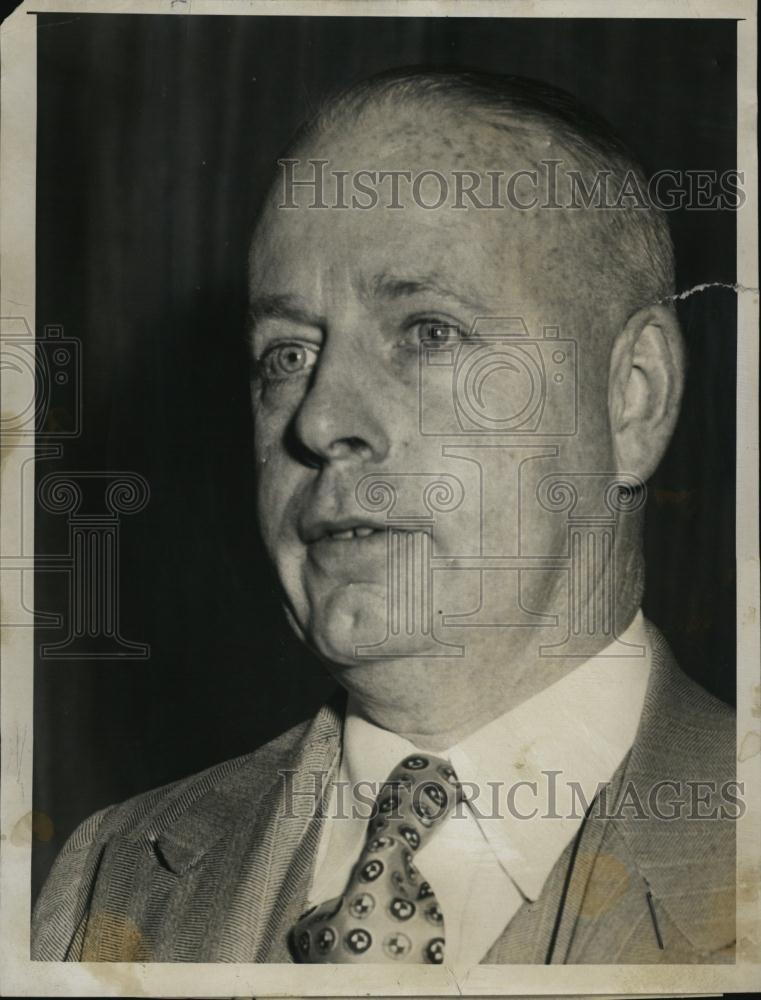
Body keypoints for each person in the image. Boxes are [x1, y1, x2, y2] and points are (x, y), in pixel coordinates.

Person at [32, 68, 736, 966]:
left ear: (630, 400)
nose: (320, 422)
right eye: (286, 354)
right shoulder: (108, 877)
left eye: (428, 332)